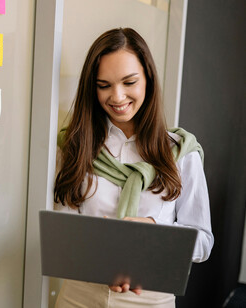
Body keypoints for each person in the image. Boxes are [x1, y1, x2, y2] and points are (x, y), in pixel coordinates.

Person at [53, 28, 214, 308]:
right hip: (79, 295)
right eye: (104, 85)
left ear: (148, 79)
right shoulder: (74, 146)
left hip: (150, 298)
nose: (117, 97)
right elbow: (62, 230)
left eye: (129, 82)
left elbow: (203, 243)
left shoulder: (180, 153)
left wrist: (155, 232)